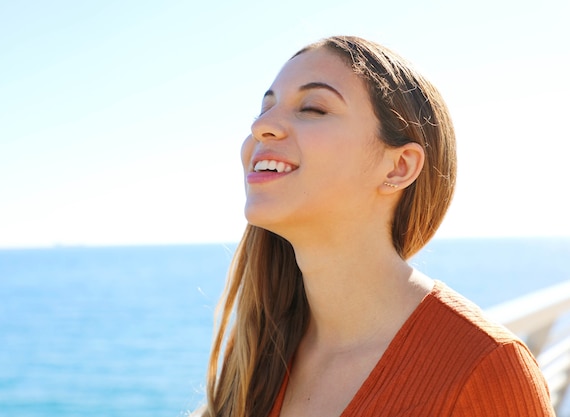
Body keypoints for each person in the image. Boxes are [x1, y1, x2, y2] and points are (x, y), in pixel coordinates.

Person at [197, 36, 554, 417]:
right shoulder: (257, 359)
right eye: (264, 110)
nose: (262, 127)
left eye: (314, 108)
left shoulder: (486, 370)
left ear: (398, 168)